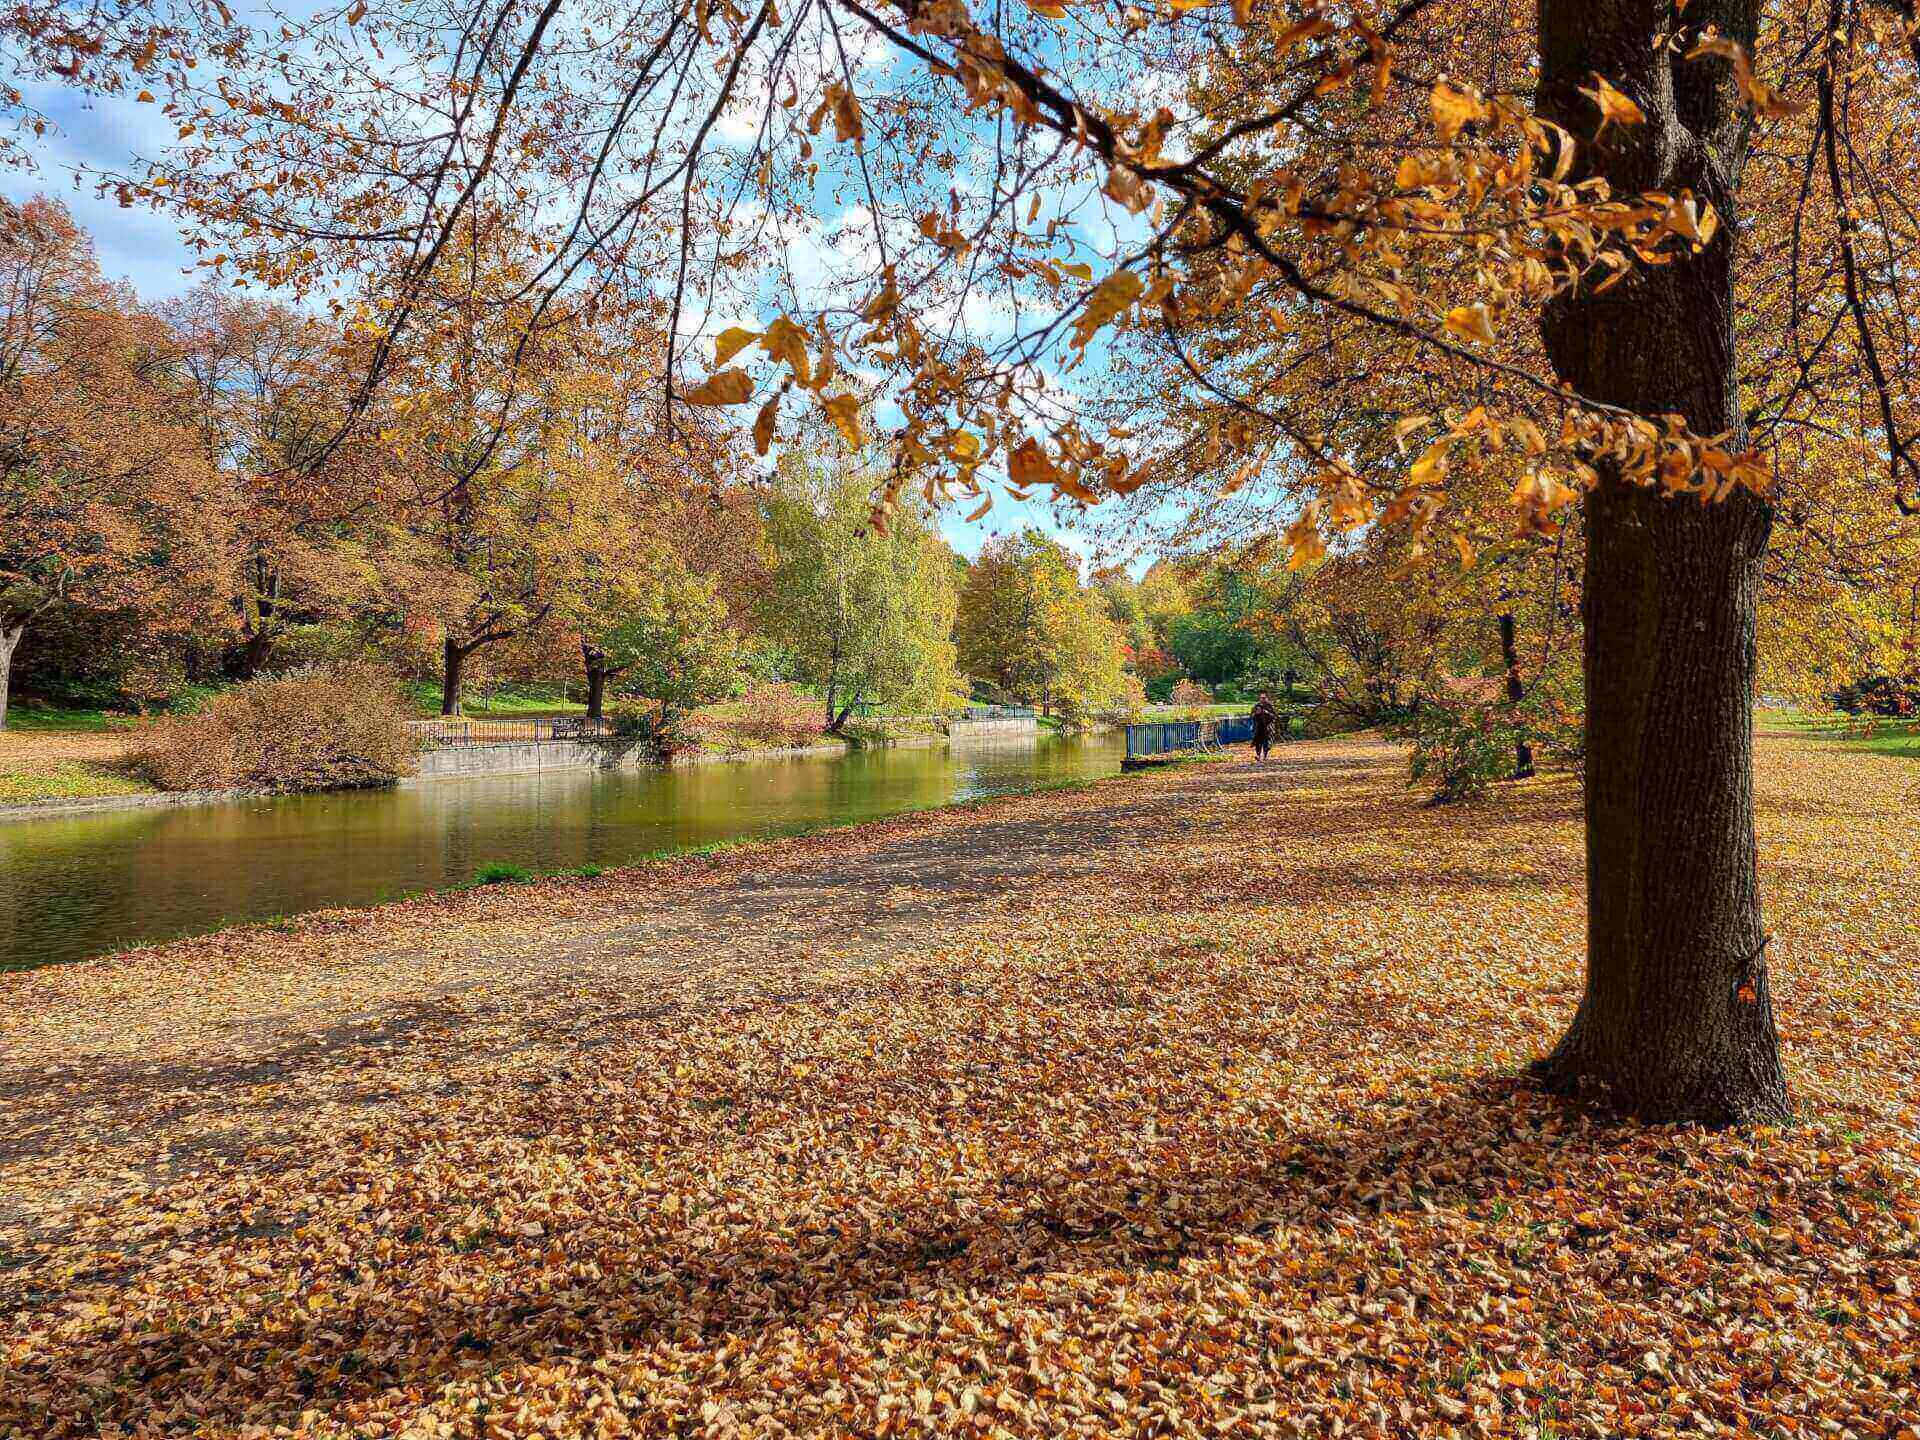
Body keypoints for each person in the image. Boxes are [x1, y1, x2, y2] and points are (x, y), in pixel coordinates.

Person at [1250, 690, 1278, 762]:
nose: (1263, 699)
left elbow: (1274, 716)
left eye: (1264, 698)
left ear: (1267, 698)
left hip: (1267, 727)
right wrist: (1256, 714)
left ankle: (1265, 756)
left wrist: (1267, 713)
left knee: (1266, 743)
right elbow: (1251, 715)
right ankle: (1258, 755)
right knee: (1257, 742)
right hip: (1258, 727)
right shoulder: (1256, 706)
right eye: (1261, 698)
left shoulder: (1269, 706)